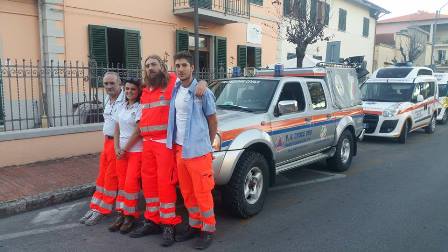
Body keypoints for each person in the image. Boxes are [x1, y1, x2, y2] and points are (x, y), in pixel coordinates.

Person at [129, 55, 208, 247]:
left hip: (165, 144)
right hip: (147, 144)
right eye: (147, 66)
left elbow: (190, 79)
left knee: (165, 184)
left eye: (154, 64)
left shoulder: (173, 82)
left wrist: (203, 83)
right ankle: (152, 220)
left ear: (163, 67)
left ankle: (169, 225)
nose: (150, 68)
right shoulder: (145, 89)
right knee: (149, 185)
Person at [167, 51, 218, 250]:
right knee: (187, 192)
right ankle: (195, 225)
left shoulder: (203, 92)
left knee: (202, 192)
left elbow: (213, 120)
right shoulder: (176, 88)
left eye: (184, 65)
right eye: (177, 65)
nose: (180, 69)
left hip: (198, 151)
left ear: (192, 68)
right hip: (180, 149)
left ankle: (208, 229)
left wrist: (208, 144)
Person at [79, 72, 124, 225]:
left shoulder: (126, 99)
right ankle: (95, 206)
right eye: (106, 84)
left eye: (112, 83)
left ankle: (103, 210)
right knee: (102, 176)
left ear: (120, 84)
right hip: (107, 141)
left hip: (118, 143)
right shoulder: (107, 98)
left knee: (111, 177)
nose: (109, 87)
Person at [108, 77, 143, 234]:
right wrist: (116, 148)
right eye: (127, 88)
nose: (129, 91)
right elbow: (116, 128)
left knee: (130, 184)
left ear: (138, 91)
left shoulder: (140, 107)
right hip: (121, 153)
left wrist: (125, 149)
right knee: (121, 185)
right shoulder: (120, 106)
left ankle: (131, 216)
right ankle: (121, 214)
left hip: (135, 152)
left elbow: (138, 131)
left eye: (133, 89)